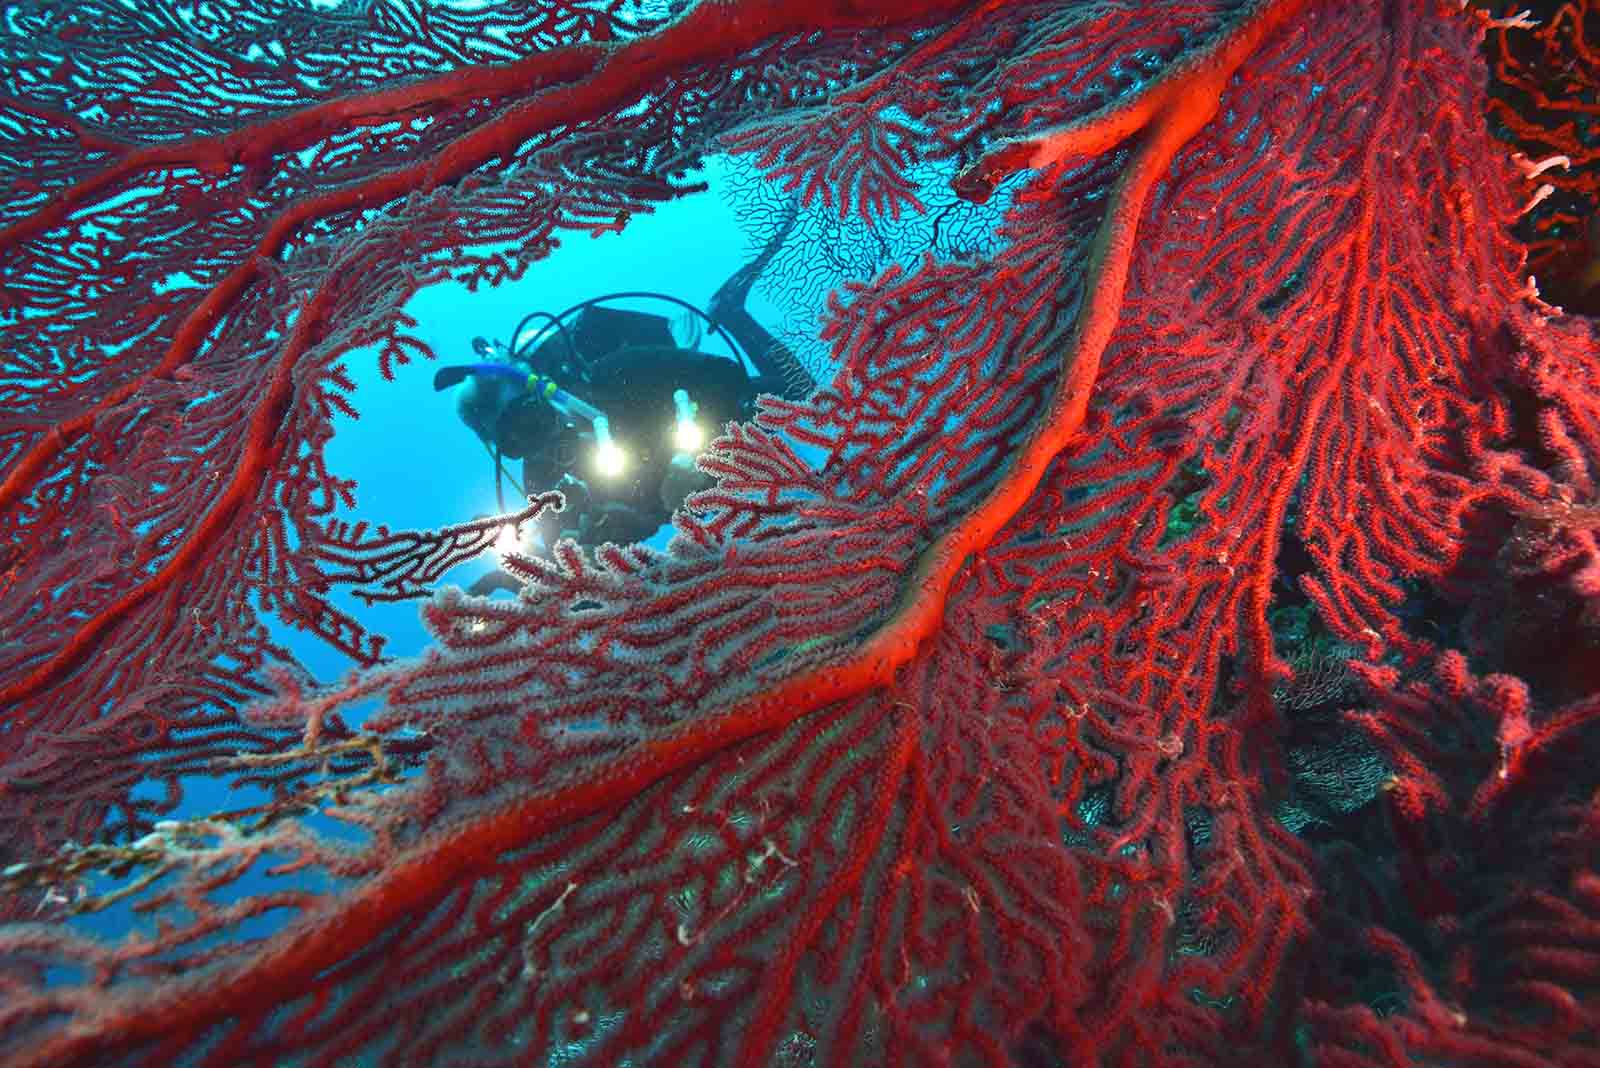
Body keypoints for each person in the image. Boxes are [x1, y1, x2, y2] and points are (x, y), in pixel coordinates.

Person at [433, 210, 811, 592]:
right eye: (517, 443)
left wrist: (695, 452)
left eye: (529, 420)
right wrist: (516, 577)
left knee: (803, 398)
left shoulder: (613, 374)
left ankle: (730, 313)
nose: (538, 440)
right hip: (684, 493)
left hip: (711, 426)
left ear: (539, 392)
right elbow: (567, 565)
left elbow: (725, 376)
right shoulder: (543, 480)